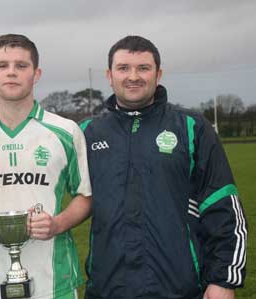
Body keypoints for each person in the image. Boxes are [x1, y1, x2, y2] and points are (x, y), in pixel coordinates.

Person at [81, 36, 247, 299]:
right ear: (109, 75)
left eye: (143, 68)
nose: (133, 76)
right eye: (123, 68)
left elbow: (222, 204)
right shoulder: (87, 133)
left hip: (179, 288)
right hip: (107, 289)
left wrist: (224, 279)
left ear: (158, 75)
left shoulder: (192, 127)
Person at [0, 34, 92, 299]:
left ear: (36, 73)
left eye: (21, 65)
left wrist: (58, 223)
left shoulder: (65, 131)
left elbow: (84, 196)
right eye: (3, 66)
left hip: (56, 283)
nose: (12, 73)